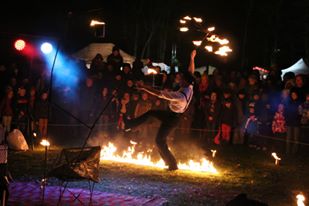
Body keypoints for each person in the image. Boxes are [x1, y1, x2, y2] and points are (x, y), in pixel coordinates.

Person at [124, 50, 196, 171]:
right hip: (172, 116)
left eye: (182, 79)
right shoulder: (189, 86)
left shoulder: (179, 96)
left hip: (172, 117)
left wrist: (144, 87)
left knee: (152, 116)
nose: (180, 79)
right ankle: (172, 165)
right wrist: (192, 58)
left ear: (185, 81)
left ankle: (130, 124)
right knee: (159, 140)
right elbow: (191, 72)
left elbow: (158, 93)